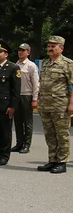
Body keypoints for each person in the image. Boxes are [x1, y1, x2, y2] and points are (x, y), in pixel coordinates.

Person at [37, 36, 73, 174]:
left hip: (60, 105)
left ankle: (62, 162)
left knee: (62, 134)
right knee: (50, 134)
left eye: (53, 46)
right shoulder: (45, 63)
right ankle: (52, 160)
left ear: (61, 48)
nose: (50, 48)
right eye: (49, 46)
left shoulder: (68, 64)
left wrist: (71, 104)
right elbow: (42, 84)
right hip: (46, 105)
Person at [13, 43, 39, 154]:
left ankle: (26, 144)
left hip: (27, 95)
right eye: (19, 50)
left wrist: (35, 99)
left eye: (23, 50)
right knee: (17, 121)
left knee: (27, 122)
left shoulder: (31, 65)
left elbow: (36, 83)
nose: (20, 52)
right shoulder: (15, 65)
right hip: (17, 96)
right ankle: (19, 143)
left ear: (28, 52)